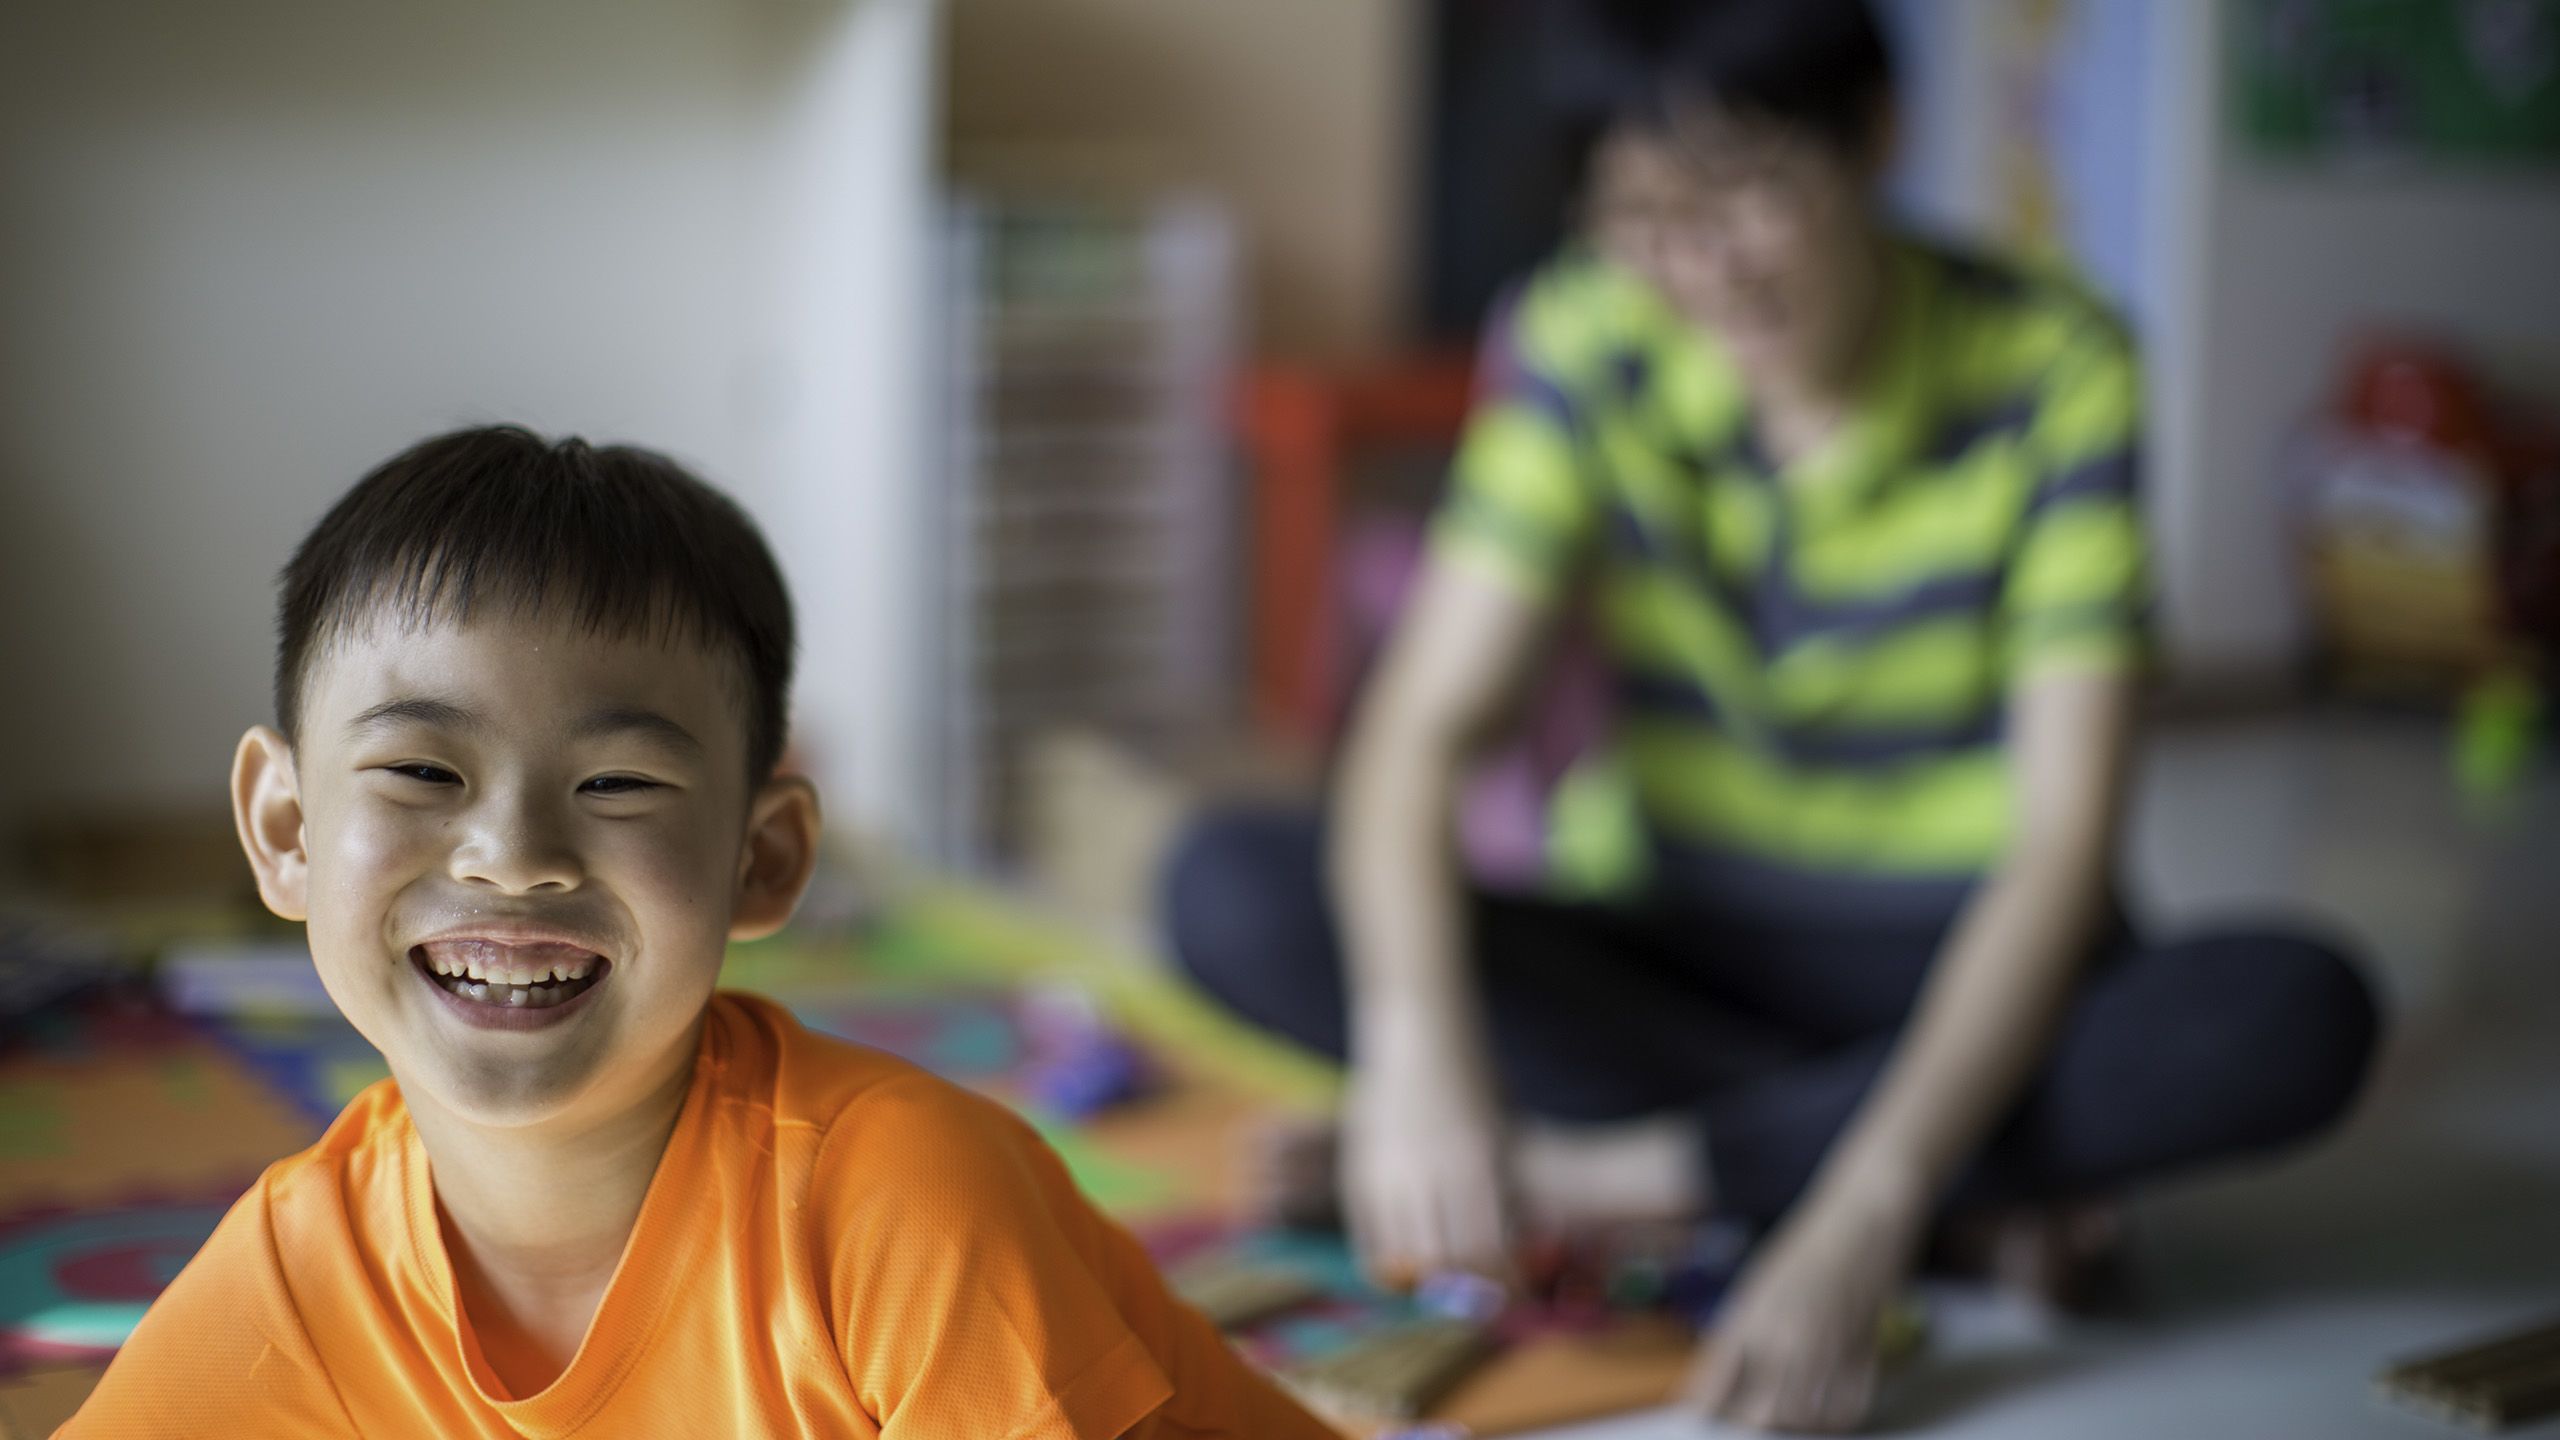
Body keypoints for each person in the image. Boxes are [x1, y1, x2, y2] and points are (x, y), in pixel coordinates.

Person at [1162, 1, 2381, 1431]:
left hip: (1957, 955)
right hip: (1681, 942)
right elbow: (1419, 732)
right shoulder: (1587, 334)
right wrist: (1421, 1054)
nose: (1703, 270)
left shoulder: (2057, 362)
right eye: (1643, 214)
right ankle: (1950, 1184)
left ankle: (1617, 1175)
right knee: (1233, 889)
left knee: (2291, 1015)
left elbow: (2062, 844)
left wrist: (1870, 1211)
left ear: (1874, 136)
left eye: (1750, 191)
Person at [61, 428, 1336, 1438]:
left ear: (762, 859)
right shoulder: (302, 1267)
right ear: (284, 828)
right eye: (422, 773)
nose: (510, 855)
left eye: (616, 784)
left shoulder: (896, 1200)